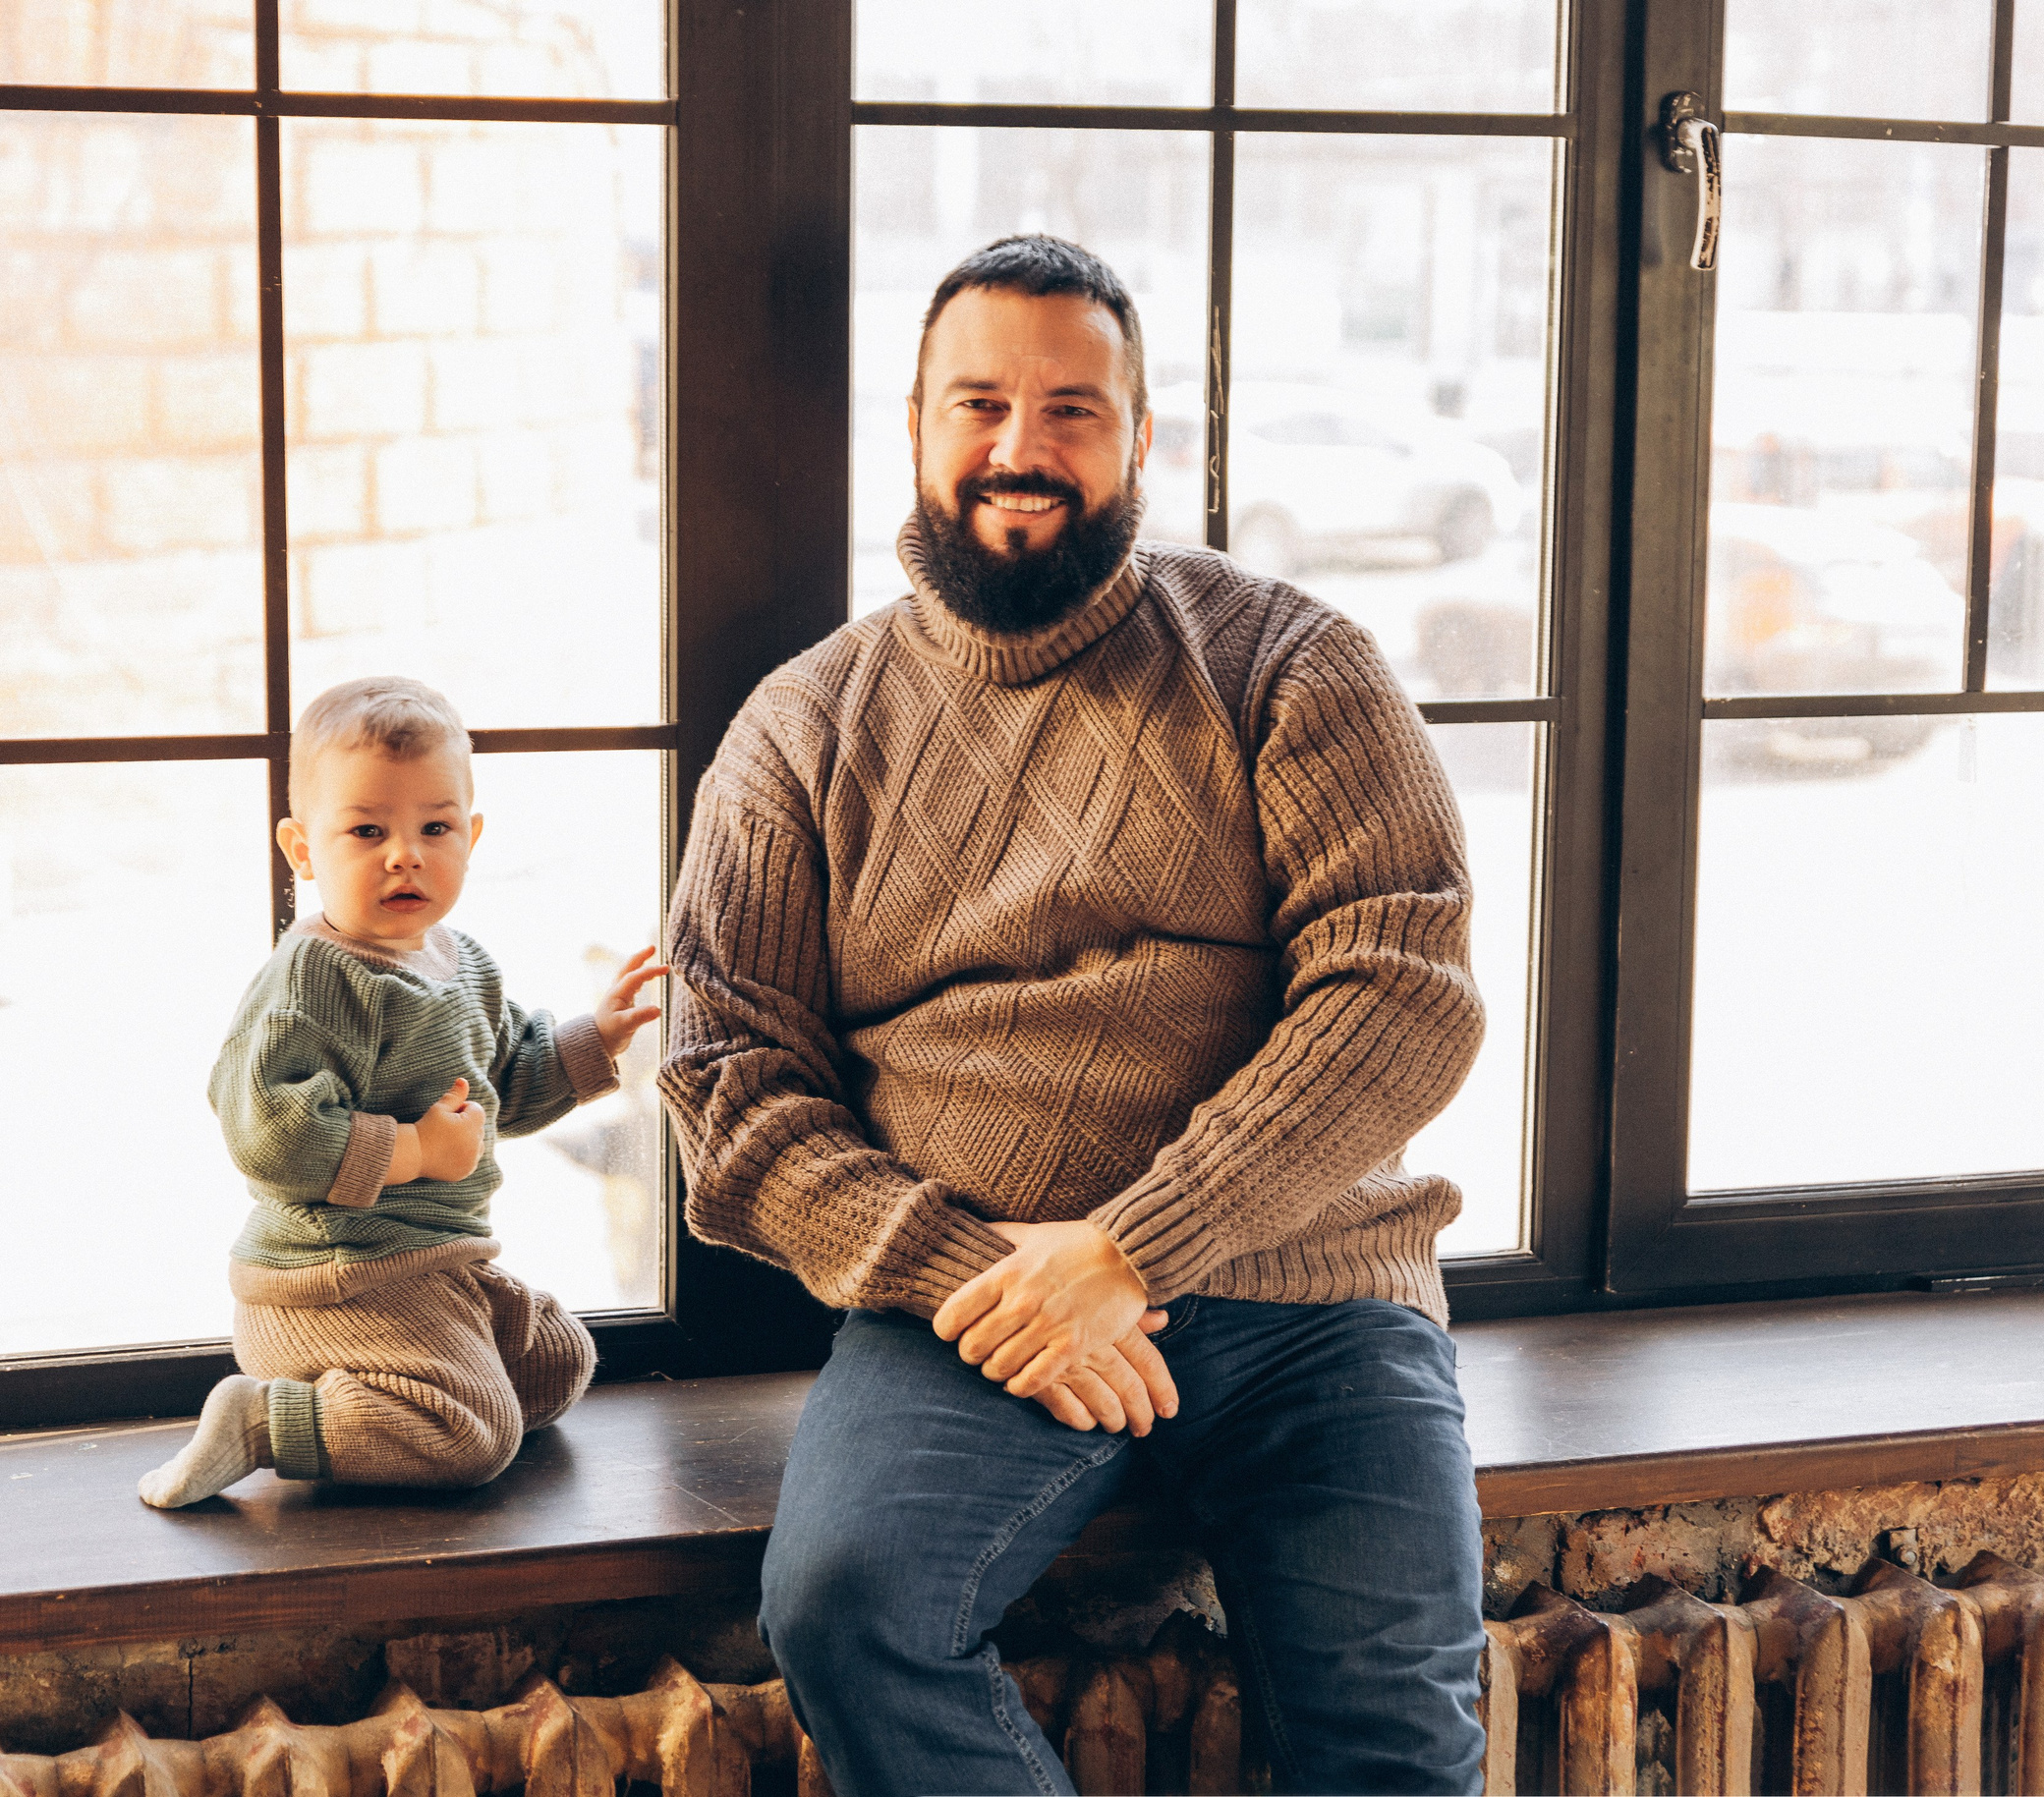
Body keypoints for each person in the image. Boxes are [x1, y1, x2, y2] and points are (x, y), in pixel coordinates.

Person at [658, 235, 1491, 1794]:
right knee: (845, 1611)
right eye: (978, 403)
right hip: (968, 1310)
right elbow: (727, 1087)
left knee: (1395, 1738)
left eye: (1072, 410)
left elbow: (1401, 997)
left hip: (1315, 1295)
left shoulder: (1294, 667)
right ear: (914, 423)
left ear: (1144, 438)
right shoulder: (802, 727)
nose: (1018, 449)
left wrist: (1129, 1252)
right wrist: (989, 1281)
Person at [140, 676, 667, 1507]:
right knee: (476, 1434)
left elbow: (500, 1089)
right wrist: (415, 1148)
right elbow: (267, 1131)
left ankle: (390, 1400)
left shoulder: (463, 961)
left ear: (472, 834)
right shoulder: (314, 980)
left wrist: (590, 1040)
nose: (404, 854)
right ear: (304, 850)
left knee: (559, 1359)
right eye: (367, 830)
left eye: (434, 827)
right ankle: (267, 1420)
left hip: (432, 1266)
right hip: (336, 1278)